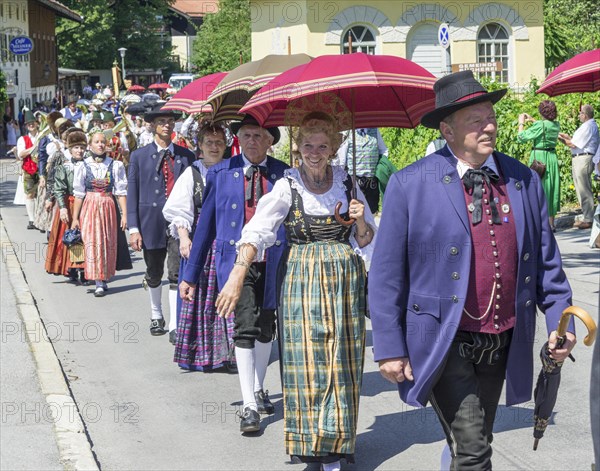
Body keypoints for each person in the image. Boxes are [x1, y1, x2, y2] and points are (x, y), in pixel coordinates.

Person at [369, 70, 577, 471]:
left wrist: (560, 321)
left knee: (476, 438)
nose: (490, 126)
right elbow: (387, 274)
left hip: (503, 339)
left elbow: (547, 261)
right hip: (442, 339)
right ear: (447, 130)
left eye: (491, 117)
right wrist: (390, 347)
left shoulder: (522, 181)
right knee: (474, 451)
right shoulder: (411, 183)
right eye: (475, 120)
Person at [216, 111, 376, 469]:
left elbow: (366, 241)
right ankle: (310, 444)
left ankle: (336, 447)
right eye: (307, 146)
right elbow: (258, 230)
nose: (314, 152)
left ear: (334, 148)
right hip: (301, 280)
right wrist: (237, 273)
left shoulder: (349, 184)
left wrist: (362, 217)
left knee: (341, 362)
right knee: (305, 363)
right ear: (297, 149)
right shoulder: (287, 185)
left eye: (322, 146)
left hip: (344, 282)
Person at [179, 116, 287, 434]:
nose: (252, 141)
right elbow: (206, 225)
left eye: (259, 136)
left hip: (274, 259)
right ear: (238, 139)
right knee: (244, 328)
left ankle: (258, 387)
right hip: (234, 262)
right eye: (246, 135)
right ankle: (249, 407)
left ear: (270, 141)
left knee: (267, 326)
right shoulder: (221, 173)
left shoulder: (284, 173)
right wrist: (190, 274)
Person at [163, 122, 235, 362]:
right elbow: (178, 209)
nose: (214, 147)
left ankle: (231, 353)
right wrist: (184, 238)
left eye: (219, 143)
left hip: (228, 241)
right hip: (201, 244)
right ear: (200, 146)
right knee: (202, 297)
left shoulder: (234, 169)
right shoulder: (193, 173)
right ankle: (204, 352)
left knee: (227, 296)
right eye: (209, 143)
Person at [127, 104, 194, 337]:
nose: (167, 125)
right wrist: (133, 228)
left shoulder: (186, 156)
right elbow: (132, 193)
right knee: (154, 272)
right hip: (150, 222)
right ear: (153, 125)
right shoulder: (139, 156)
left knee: (176, 273)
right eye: (162, 121)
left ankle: (176, 323)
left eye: (170, 121)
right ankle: (156, 315)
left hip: (179, 223)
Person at [71, 130, 128, 297]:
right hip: (90, 205)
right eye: (96, 142)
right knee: (92, 242)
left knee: (107, 241)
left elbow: (120, 192)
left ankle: (103, 277)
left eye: (103, 142)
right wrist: (75, 217)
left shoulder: (115, 165)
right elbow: (79, 193)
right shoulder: (83, 165)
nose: (100, 144)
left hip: (108, 205)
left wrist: (124, 214)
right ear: (90, 145)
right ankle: (97, 281)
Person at [45, 129, 87, 281]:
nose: (79, 151)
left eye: (82, 147)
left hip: (85, 204)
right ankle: (71, 267)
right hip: (68, 205)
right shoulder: (65, 165)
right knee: (71, 236)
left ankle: (83, 268)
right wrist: (62, 207)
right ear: (70, 149)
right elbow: (58, 187)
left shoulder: (89, 164)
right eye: (76, 147)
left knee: (84, 237)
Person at [517, 100, 561, 230]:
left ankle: (541, 223)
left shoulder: (541, 125)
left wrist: (521, 122)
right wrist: (533, 120)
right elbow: (544, 126)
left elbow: (521, 137)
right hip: (552, 158)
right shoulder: (555, 124)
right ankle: (551, 223)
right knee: (551, 189)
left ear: (542, 112)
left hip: (540, 158)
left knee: (539, 188)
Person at [559, 104, 599, 230]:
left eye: (580, 113)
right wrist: (566, 137)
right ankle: (587, 216)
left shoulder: (589, 126)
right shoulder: (586, 126)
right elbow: (575, 142)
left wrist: (558, 137)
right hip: (580, 157)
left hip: (584, 158)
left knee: (583, 188)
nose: (579, 115)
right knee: (579, 187)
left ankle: (588, 218)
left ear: (585, 115)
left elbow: (572, 145)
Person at [335, 127, 388, 213]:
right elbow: (342, 160)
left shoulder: (375, 130)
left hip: (372, 183)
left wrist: (382, 166)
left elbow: (384, 150)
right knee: (355, 212)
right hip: (354, 183)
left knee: (372, 211)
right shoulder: (347, 132)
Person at [15, 110, 40, 229]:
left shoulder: (43, 136)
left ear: (37, 123)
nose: (31, 125)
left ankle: (40, 218)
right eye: (28, 123)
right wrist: (34, 148)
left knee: (41, 195)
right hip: (29, 169)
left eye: (33, 123)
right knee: (30, 194)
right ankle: (32, 220)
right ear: (26, 126)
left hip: (42, 168)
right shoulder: (22, 139)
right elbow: (21, 154)